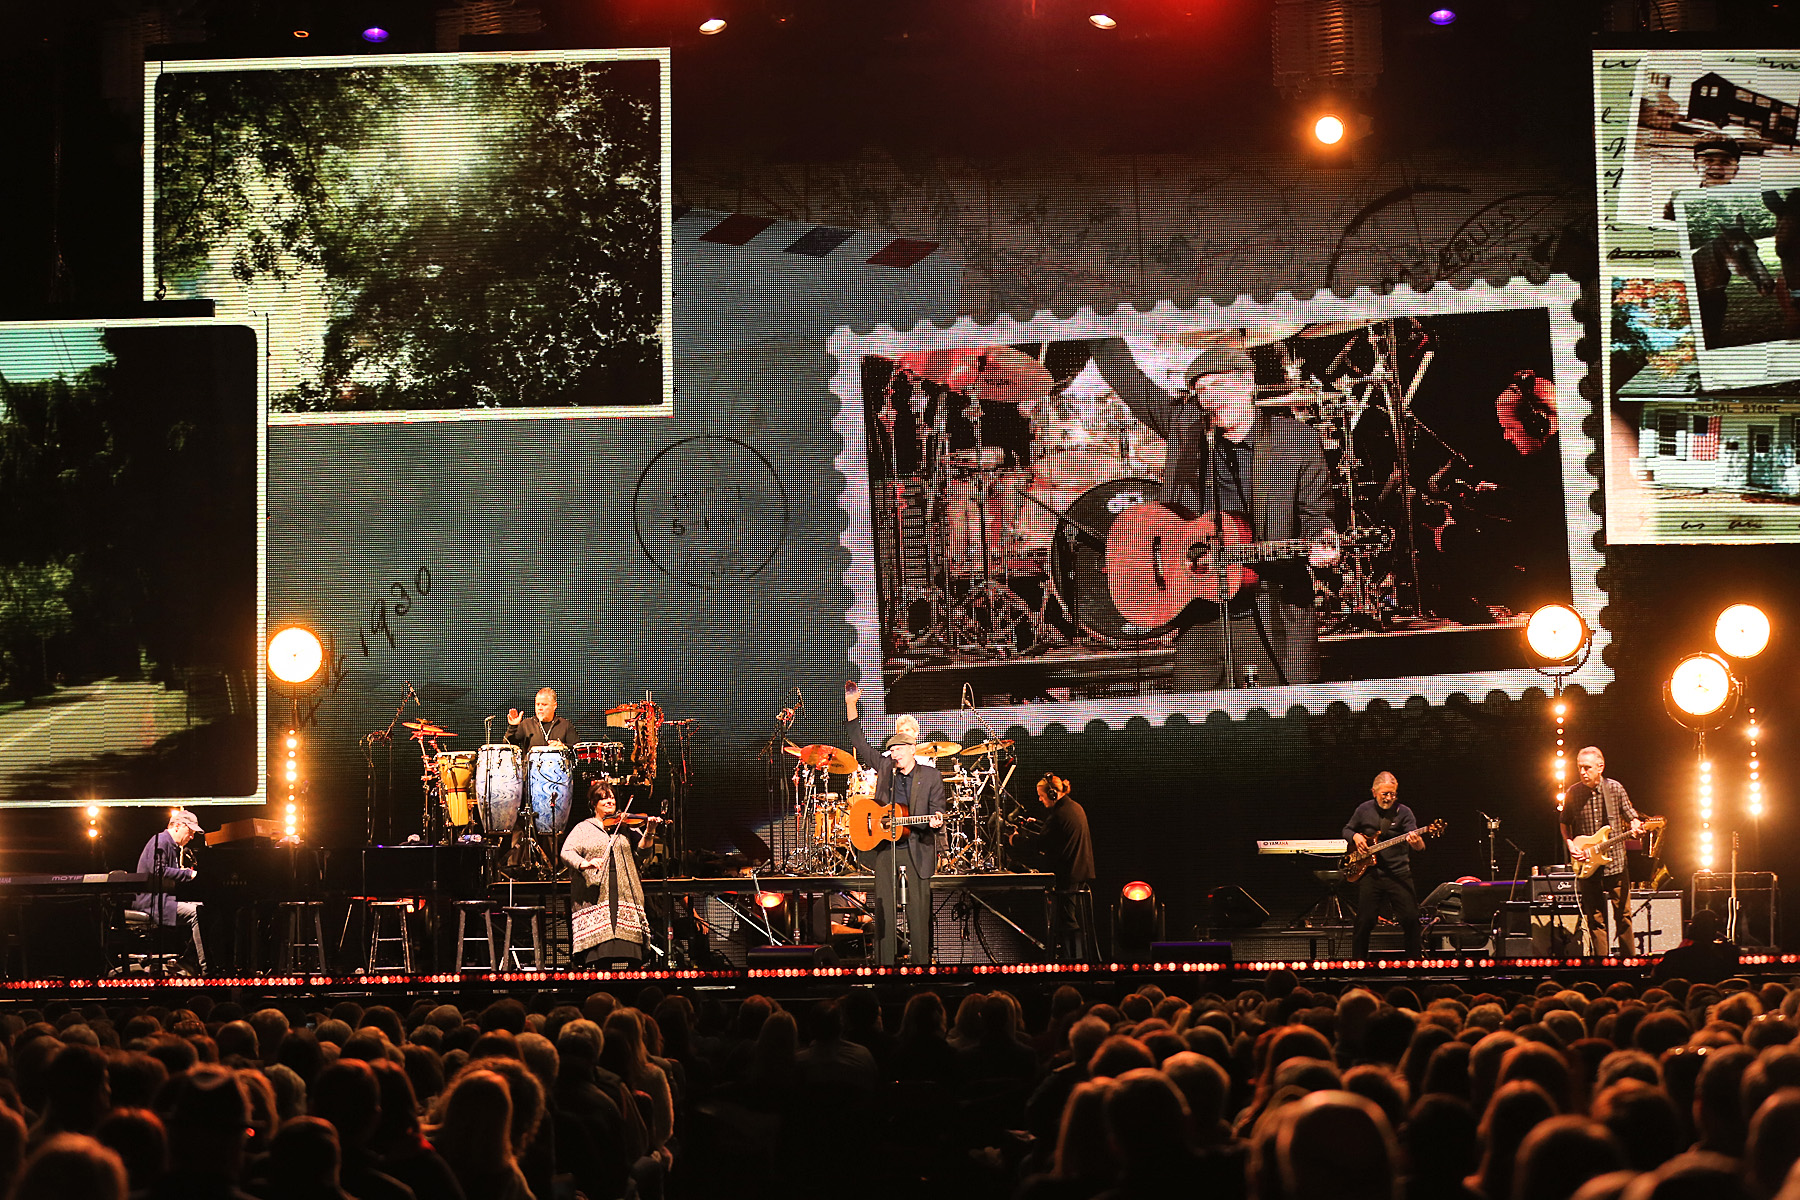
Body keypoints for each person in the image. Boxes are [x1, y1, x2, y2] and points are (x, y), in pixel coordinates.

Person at [1090, 336, 1337, 691]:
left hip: (1270, 604)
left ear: (1248, 384)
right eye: (1202, 391)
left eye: (1219, 385)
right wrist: (1092, 318)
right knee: (1195, 714)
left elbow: (1317, 514)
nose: (1210, 399)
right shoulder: (1186, 426)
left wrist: (1322, 544)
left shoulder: (1293, 439)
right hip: (1197, 604)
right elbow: (1128, 379)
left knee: (1277, 715)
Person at [844, 681, 945, 965]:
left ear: (912, 748)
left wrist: (936, 822)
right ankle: (885, 968)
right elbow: (859, 741)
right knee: (884, 913)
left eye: (899, 749)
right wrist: (851, 704)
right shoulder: (886, 767)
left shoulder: (931, 776)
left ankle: (921, 967)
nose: (894, 754)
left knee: (918, 913)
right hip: (886, 848)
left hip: (916, 846)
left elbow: (938, 810)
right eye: (892, 749)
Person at [1560, 746, 1643, 957]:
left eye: (1587, 767)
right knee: (1595, 918)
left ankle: (1629, 963)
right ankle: (1601, 964)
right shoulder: (1573, 792)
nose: (1582, 772)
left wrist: (1636, 824)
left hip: (1615, 863)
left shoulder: (1614, 788)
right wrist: (1570, 844)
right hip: (1587, 864)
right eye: (1579, 767)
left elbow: (1631, 815)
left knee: (1623, 916)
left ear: (1600, 767)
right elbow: (1564, 822)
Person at [559, 779, 652, 966]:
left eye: (612, 798)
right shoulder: (583, 828)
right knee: (601, 957)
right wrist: (584, 864)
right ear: (594, 804)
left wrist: (650, 830)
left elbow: (643, 852)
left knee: (632, 956)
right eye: (603, 799)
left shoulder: (627, 827)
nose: (610, 801)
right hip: (596, 891)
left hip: (625, 889)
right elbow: (566, 852)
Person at [1012, 774, 1096, 961]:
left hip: (1067, 875)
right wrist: (1037, 825)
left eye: (1041, 796)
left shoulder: (1059, 815)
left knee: (1066, 922)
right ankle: (1072, 959)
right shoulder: (1073, 808)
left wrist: (1015, 840)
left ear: (1052, 794)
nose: (1039, 800)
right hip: (1078, 871)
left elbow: (1041, 844)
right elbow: (1055, 834)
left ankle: (1072, 961)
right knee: (1067, 919)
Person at [1343, 772, 1426, 958]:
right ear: (1374, 792)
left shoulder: (1404, 812)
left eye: (1393, 794)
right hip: (1371, 874)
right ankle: (1358, 964)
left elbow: (1420, 846)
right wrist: (1355, 837)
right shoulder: (1363, 809)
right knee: (1364, 921)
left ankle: (1414, 964)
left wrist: (1416, 842)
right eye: (1385, 794)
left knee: (1411, 919)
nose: (1389, 798)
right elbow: (1346, 830)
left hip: (1399, 874)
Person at [132, 809, 207, 975]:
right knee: (197, 913)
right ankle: (204, 967)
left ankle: (189, 959)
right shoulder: (161, 841)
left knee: (206, 910)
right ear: (178, 826)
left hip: (164, 899)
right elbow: (157, 870)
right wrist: (188, 874)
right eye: (190, 831)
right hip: (152, 901)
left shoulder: (171, 845)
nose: (192, 837)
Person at [1662, 133, 1742, 221]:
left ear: (1735, 170)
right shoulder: (1680, 197)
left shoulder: (1745, 201)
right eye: (1708, 161)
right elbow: (1667, 226)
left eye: (1725, 162)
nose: (1716, 167)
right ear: (1696, 166)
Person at [506, 688, 575, 751]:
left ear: (554, 706)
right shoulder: (526, 724)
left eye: (544, 705)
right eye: (537, 704)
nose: (540, 708)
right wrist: (513, 727)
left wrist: (564, 746)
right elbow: (508, 746)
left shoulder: (565, 725)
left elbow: (577, 749)